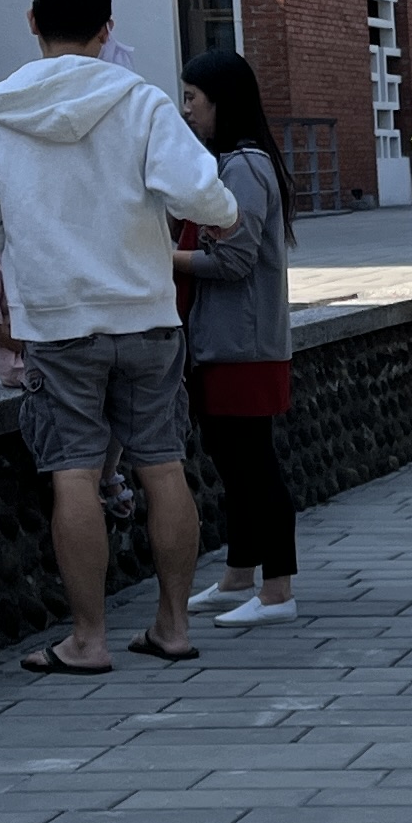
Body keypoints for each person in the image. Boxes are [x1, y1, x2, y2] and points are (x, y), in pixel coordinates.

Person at [0, 0, 235, 675]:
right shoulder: (139, 100)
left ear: (31, 20)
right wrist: (223, 218)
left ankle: (88, 638)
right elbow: (201, 193)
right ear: (108, 29)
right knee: (162, 466)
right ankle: (172, 626)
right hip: (144, 313)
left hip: (55, 320)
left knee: (73, 475)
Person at [175, 52, 301, 626]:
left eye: (193, 99)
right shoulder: (234, 163)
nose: (186, 111)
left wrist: (166, 258)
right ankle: (239, 574)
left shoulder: (244, 167)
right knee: (234, 462)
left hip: (243, 345)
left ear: (222, 101)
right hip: (228, 342)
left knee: (254, 466)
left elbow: (235, 259)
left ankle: (277, 590)